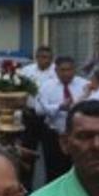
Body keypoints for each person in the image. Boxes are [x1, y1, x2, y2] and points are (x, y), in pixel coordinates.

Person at [33, 56, 88, 183]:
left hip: (78, 135)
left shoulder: (84, 85)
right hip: (53, 134)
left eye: (69, 70)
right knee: (54, 171)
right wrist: (59, 107)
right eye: (63, 70)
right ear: (56, 71)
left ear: (74, 70)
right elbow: (39, 110)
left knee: (78, 169)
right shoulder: (47, 86)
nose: (66, 73)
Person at [18, 47, 56, 186]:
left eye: (47, 57)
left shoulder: (56, 72)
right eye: (41, 57)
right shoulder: (26, 71)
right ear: (36, 57)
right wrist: (22, 107)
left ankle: (51, 184)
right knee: (28, 151)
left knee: (50, 153)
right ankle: (25, 185)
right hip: (30, 114)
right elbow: (19, 89)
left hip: (49, 116)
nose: (44, 60)